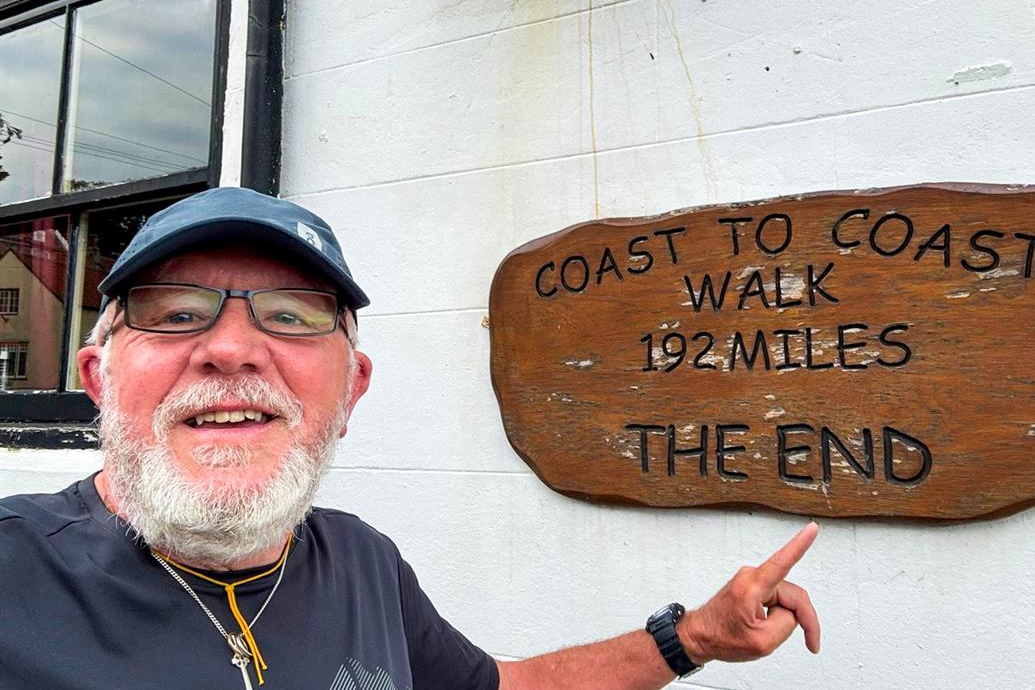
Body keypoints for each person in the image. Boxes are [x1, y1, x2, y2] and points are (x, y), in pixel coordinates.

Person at [0, 188, 820, 690]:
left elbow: (503, 688)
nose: (232, 347)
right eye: (176, 313)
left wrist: (693, 636)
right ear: (100, 379)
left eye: (291, 314)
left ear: (350, 390)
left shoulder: (365, 564)